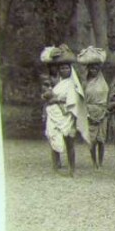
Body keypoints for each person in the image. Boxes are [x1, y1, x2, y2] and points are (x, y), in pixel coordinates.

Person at [42, 45, 90, 176]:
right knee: (53, 137)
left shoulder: (73, 84)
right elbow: (46, 97)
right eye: (62, 68)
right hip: (54, 113)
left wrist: (57, 100)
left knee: (69, 142)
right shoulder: (55, 82)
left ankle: (72, 169)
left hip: (68, 114)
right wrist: (51, 99)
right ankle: (55, 167)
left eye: (67, 68)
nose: (64, 70)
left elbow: (75, 100)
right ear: (59, 69)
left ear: (70, 69)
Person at [79, 48, 109, 170]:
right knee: (92, 141)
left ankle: (100, 162)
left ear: (99, 70)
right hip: (89, 111)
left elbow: (106, 96)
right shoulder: (85, 83)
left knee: (101, 140)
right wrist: (86, 113)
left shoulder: (103, 82)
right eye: (91, 69)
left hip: (102, 111)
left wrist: (104, 111)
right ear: (88, 70)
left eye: (95, 69)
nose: (93, 71)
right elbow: (82, 99)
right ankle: (94, 162)